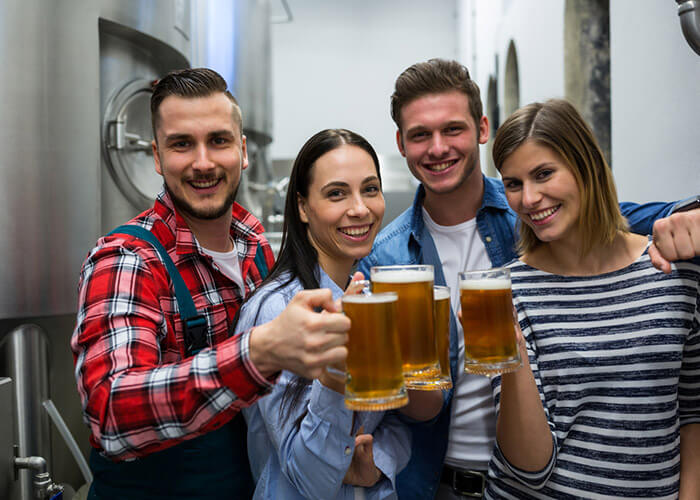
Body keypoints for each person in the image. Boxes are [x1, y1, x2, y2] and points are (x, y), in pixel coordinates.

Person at [358, 58, 700, 499]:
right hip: (445, 481)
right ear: (401, 144)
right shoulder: (384, 258)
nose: (438, 148)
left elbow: (618, 220)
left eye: (453, 129)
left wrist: (689, 216)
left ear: (482, 129)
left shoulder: (533, 213)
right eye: (421, 135)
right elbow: (403, 408)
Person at [71, 68, 351, 500]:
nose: (203, 162)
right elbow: (111, 413)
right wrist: (258, 352)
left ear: (242, 150)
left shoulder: (255, 246)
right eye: (182, 144)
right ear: (158, 156)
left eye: (218, 140)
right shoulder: (128, 259)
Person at [485, 98, 700, 499]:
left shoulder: (671, 268)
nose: (528, 199)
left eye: (543, 174)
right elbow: (529, 468)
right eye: (513, 184)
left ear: (586, 165)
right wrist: (512, 352)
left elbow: (693, 411)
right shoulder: (507, 292)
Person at [235, 128, 444, 499]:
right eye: (336, 193)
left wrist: (376, 462)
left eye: (370, 189)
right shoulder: (276, 310)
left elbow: (397, 420)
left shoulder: (372, 299)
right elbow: (309, 479)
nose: (360, 208)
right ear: (302, 207)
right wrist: (335, 371)